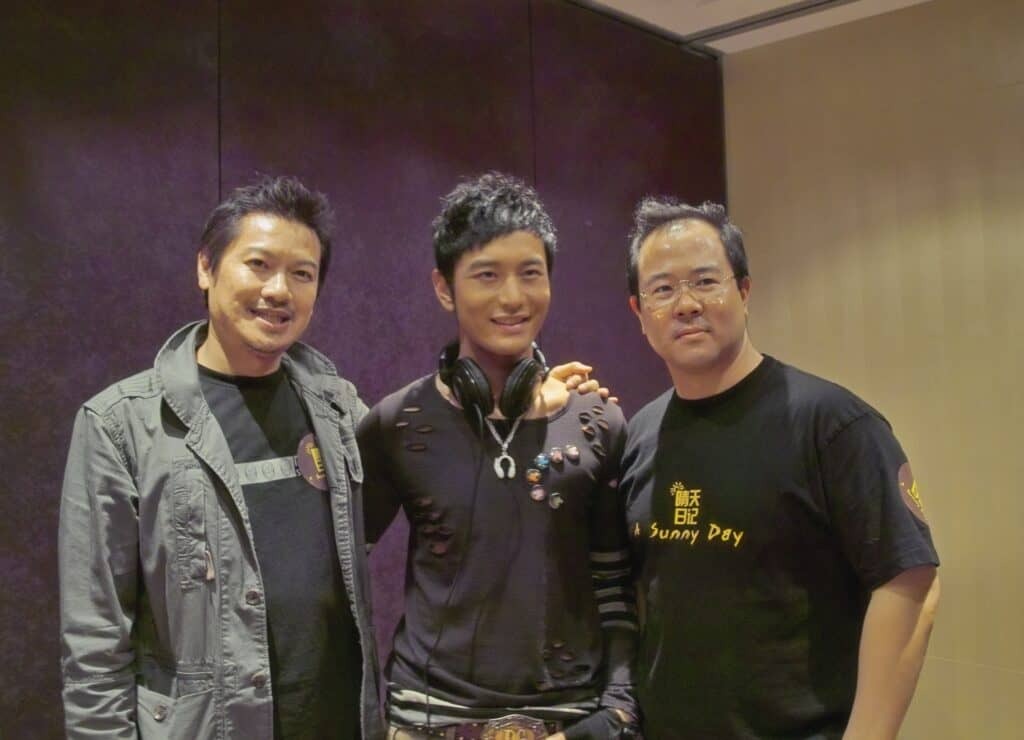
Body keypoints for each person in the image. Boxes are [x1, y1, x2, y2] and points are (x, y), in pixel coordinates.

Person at [59, 176, 385, 739]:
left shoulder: (341, 410)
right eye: (258, 264)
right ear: (206, 269)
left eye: (302, 274)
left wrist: (525, 404)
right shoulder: (120, 425)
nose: (279, 290)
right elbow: (94, 639)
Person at [620, 199, 940, 739]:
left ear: (744, 291)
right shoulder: (639, 435)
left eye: (706, 281)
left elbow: (910, 583)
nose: (687, 304)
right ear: (639, 312)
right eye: (663, 289)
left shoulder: (832, 424)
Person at [359, 173, 638, 739]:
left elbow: (616, 586)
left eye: (530, 274)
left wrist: (616, 712)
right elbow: (338, 569)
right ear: (444, 288)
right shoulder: (395, 422)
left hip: (568, 721)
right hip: (429, 719)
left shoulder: (598, 421)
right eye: (487, 275)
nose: (512, 298)